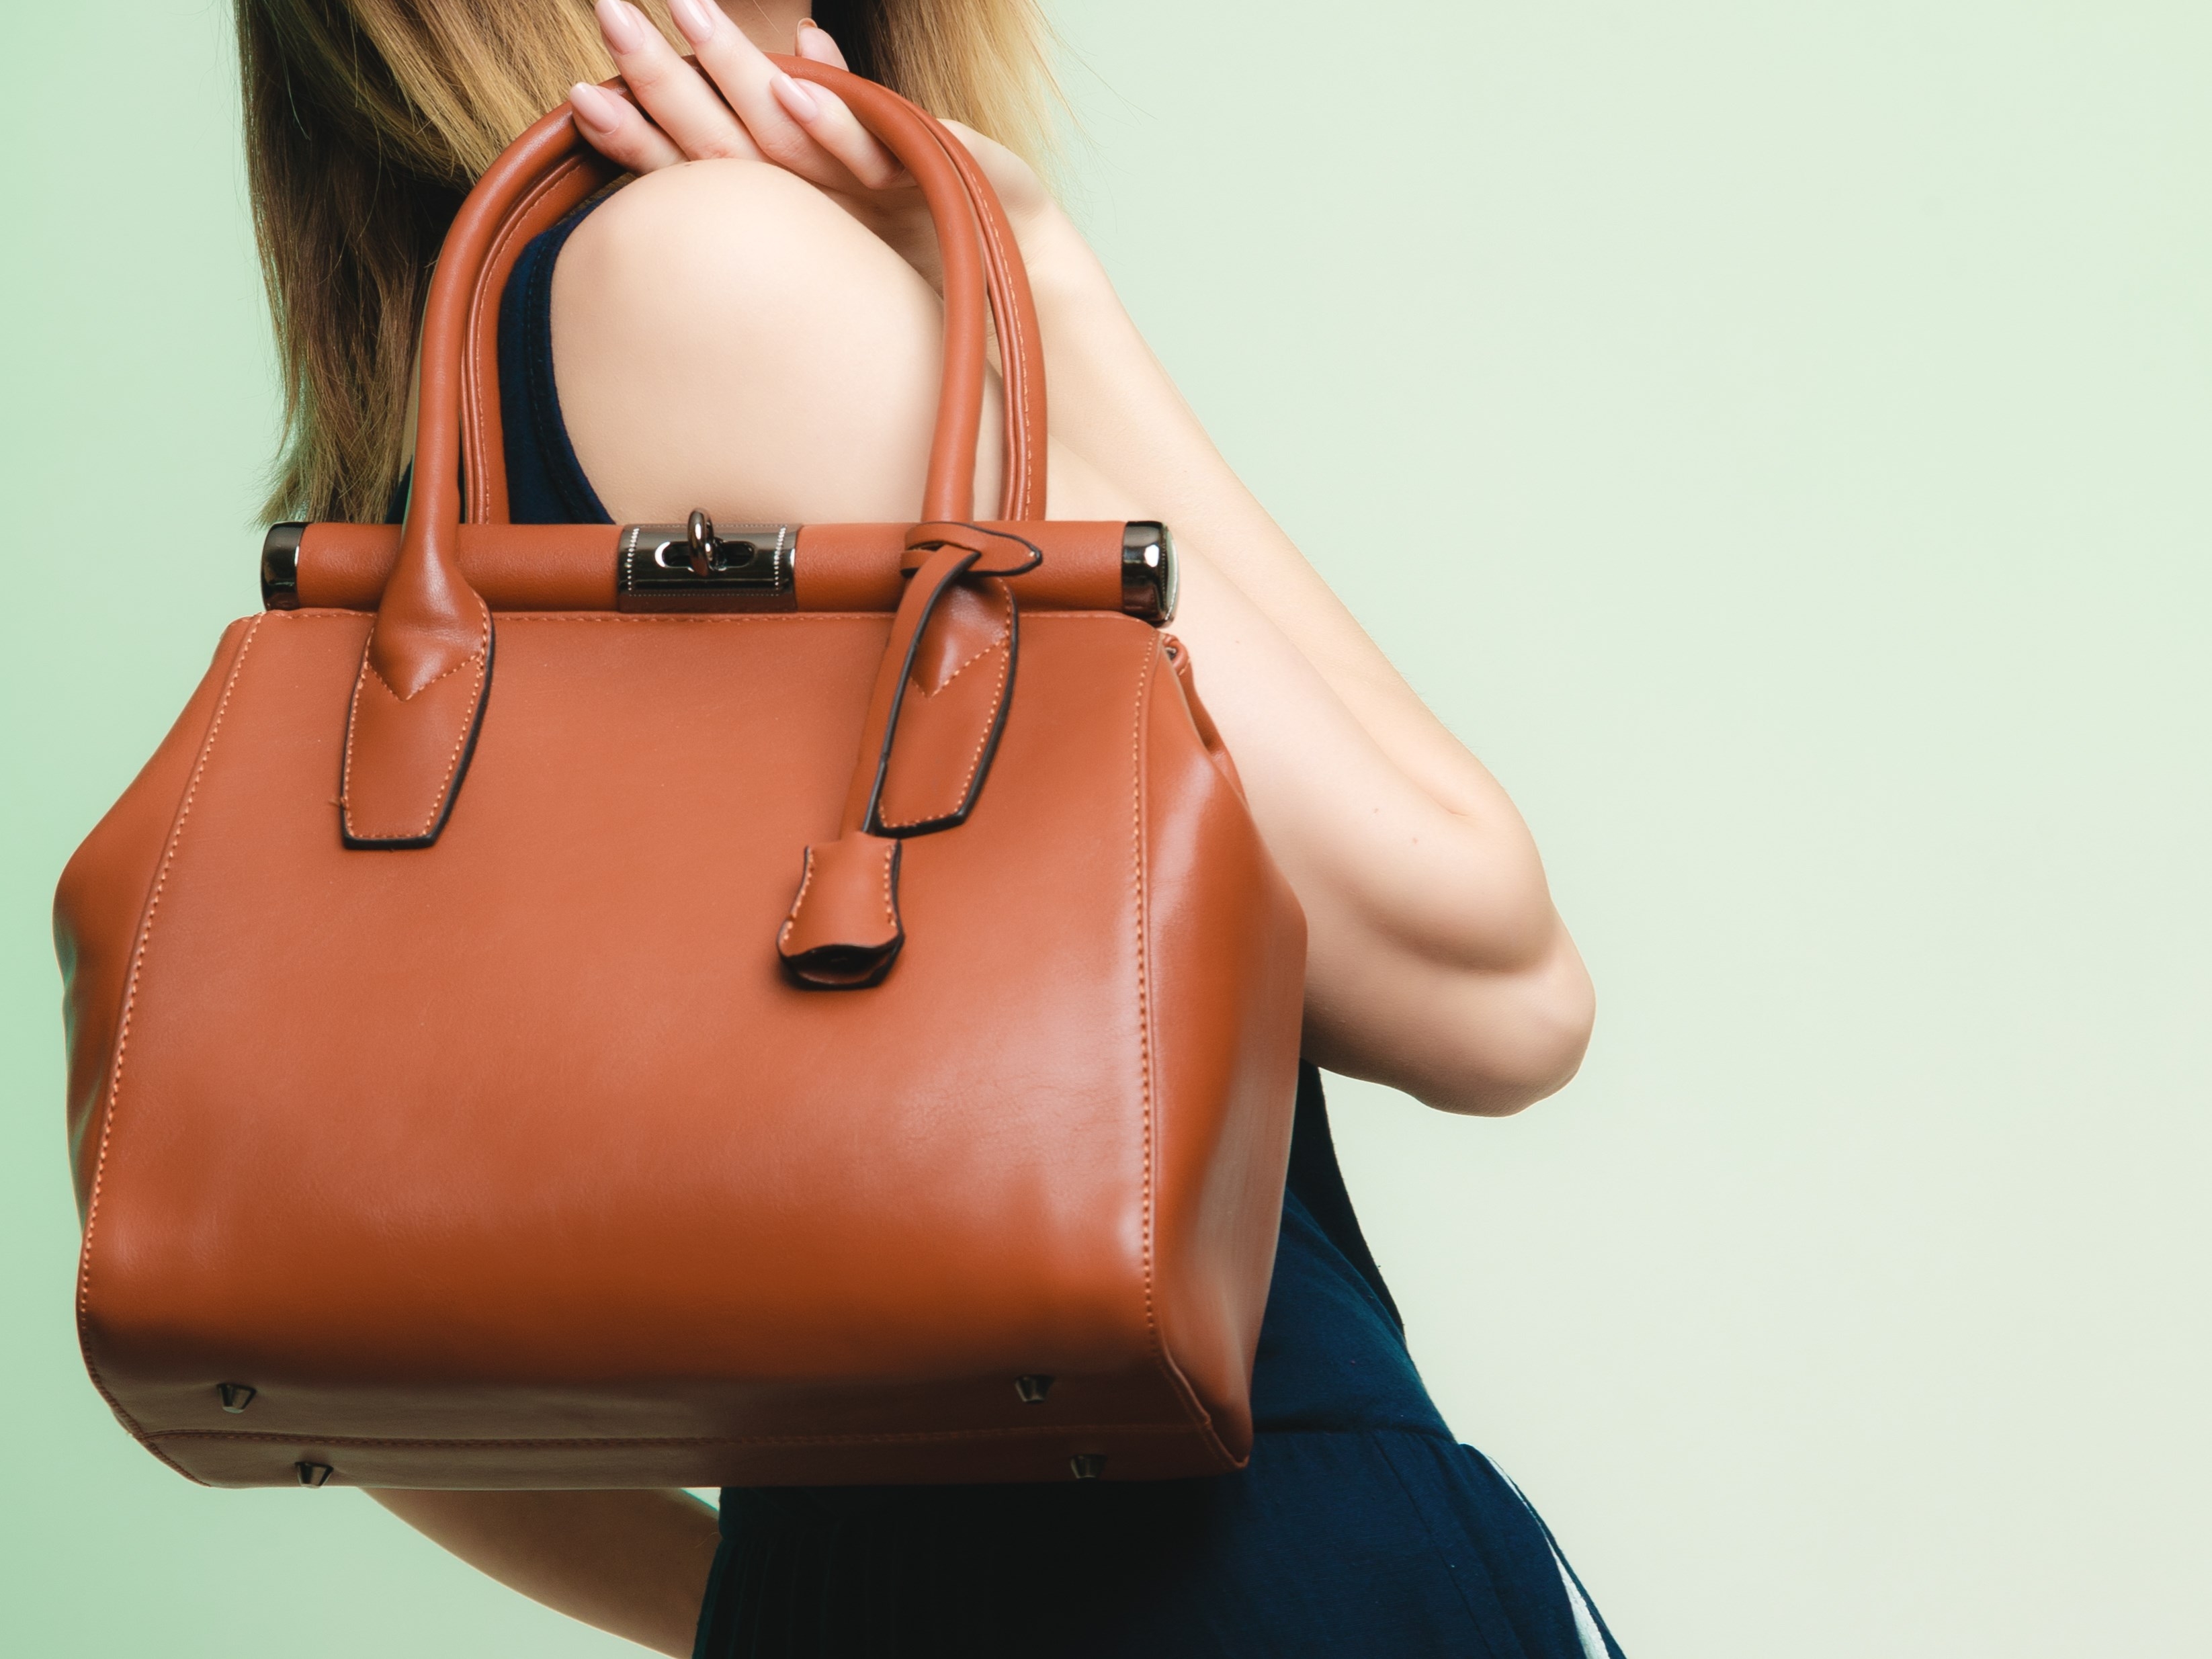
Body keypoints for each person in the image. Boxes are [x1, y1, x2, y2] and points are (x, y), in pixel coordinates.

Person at [237, 1, 1611, 1652]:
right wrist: (1049, 292)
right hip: (1231, 1570)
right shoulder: (708, 271)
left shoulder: (443, 456)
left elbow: (333, 1269)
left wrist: (789, 1606)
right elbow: (1499, 989)